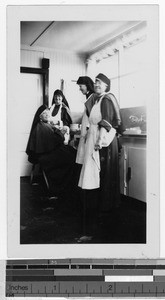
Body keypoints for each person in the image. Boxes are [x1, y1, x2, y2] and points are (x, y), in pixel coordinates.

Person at [77, 73, 124, 242]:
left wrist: (99, 142)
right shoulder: (97, 100)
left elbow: (107, 123)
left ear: (106, 86)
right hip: (95, 140)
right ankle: (98, 217)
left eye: (99, 82)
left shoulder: (107, 99)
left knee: (104, 178)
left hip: (104, 143)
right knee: (98, 179)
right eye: (95, 82)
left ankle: (104, 220)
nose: (96, 84)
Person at [26, 105, 76, 197]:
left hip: (50, 150)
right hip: (47, 154)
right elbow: (55, 141)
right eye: (44, 113)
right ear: (39, 117)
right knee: (70, 159)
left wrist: (57, 130)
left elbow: (53, 138)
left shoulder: (45, 124)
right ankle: (64, 188)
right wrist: (61, 133)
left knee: (72, 153)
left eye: (47, 112)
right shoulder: (41, 127)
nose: (47, 114)